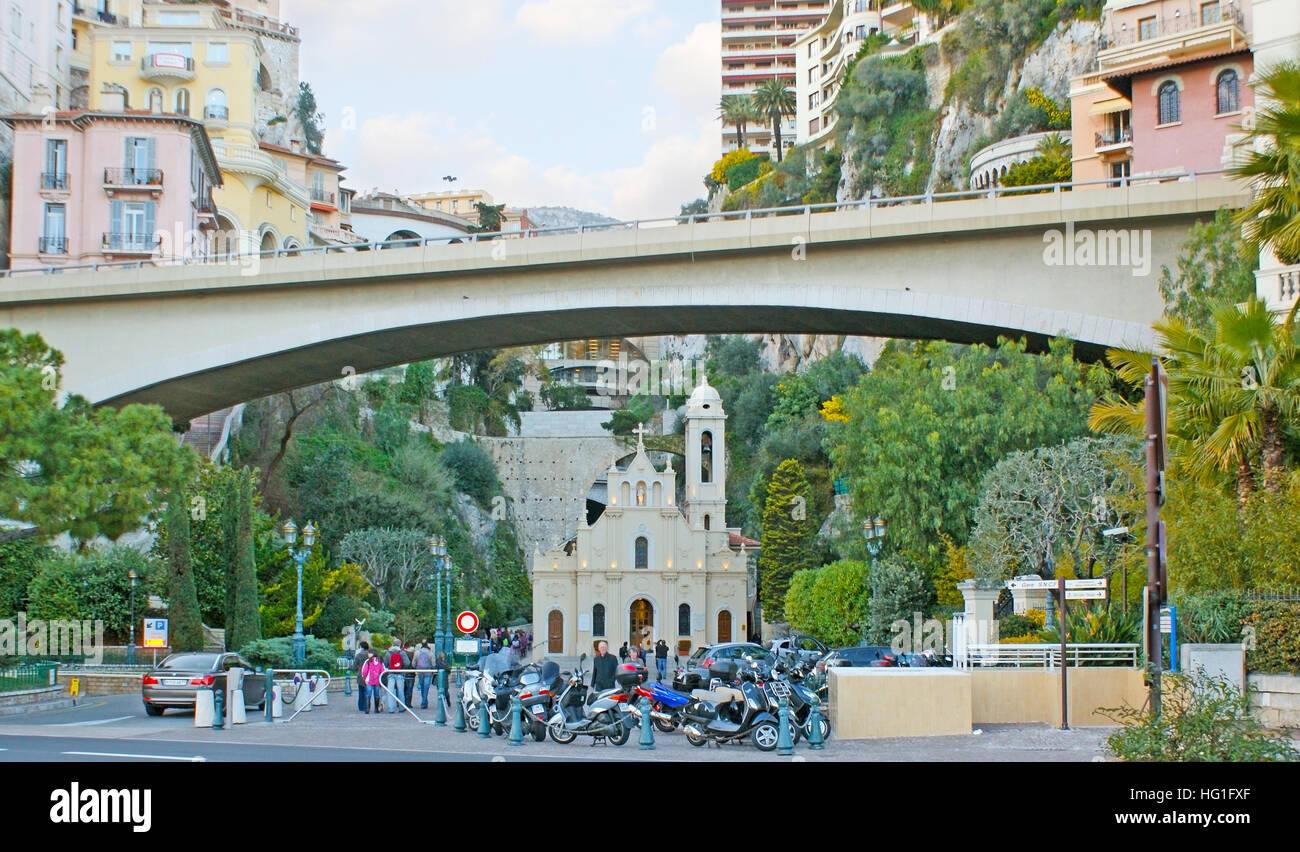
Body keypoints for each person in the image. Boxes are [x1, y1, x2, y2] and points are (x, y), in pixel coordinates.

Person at [385, 641, 405, 713]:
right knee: (400, 691)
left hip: (391, 673)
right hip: (400, 673)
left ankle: (391, 708)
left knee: (390, 692)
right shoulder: (402, 653)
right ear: (400, 644)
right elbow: (407, 662)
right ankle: (401, 707)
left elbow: (385, 664)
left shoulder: (388, 653)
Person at [415, 641, 434, 709]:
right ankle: (424, 702)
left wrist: (415, 667)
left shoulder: (417, 652)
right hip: (428, 672)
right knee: (426, 687)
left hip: (420, 671)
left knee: (422, 687)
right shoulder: (430, 653)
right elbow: (433, 664)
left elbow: (414, 662)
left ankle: (424, 701)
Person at [353, 641, 371, 712]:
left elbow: (354, 666)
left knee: (361, 691)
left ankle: (361, 707)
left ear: (361, 647)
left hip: (361, 675)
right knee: (368, 691)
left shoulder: (358, 655)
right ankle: (367, 706)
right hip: (370, 675)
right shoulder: (370, 654)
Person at [402, 642, 417, 707]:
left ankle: (402, 702)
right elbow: (414, 663)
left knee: (403, 689)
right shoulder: (413, 654)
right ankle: (408, 704)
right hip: (411, 674)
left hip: (403, 673)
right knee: (409, 690)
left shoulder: (402, 653)